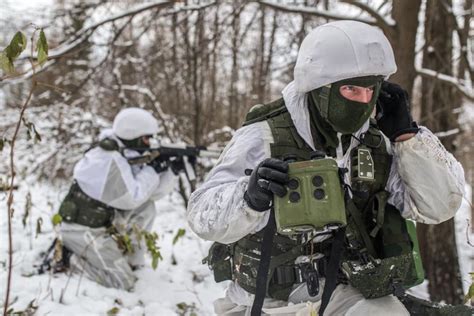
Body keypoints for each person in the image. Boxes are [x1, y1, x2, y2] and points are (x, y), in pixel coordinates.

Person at [187, 21, 466, 315]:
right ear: (320, 88)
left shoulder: (374, 143)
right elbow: (200, 214)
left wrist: (407, 137)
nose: (363, 101)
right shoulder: (264, 136)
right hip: (265, 302)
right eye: (350, 90)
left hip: (342, 294)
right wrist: (249, 196)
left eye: (371, 90)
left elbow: (438, 206)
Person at [54, 107, 177, 290]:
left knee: (146, 208)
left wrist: (172, 171)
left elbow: (150, 195)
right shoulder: (109, 160)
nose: (148, 142)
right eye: (146, 138)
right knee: (122, 283)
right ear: (133, 135)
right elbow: (133, 197)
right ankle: (70, 258)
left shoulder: (119, 149)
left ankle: (132, 262)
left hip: (98, 223)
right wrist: (153, 170)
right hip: (81, 232)